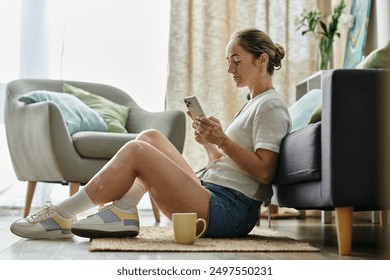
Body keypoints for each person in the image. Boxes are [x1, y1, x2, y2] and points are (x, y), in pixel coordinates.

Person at [10, 28, 291, 240]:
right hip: (214, 192)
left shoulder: (271, 106)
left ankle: (62, 215)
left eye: (236, 61)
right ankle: (124, 210)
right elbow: (229, 166)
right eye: (228, 61)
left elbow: (265, 172)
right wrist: (210, 145)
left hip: (230, 211)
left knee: (137, 152)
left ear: (261, 60)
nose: (230, 69)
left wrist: (223, 140)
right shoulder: (252, 103)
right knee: (150, 137)